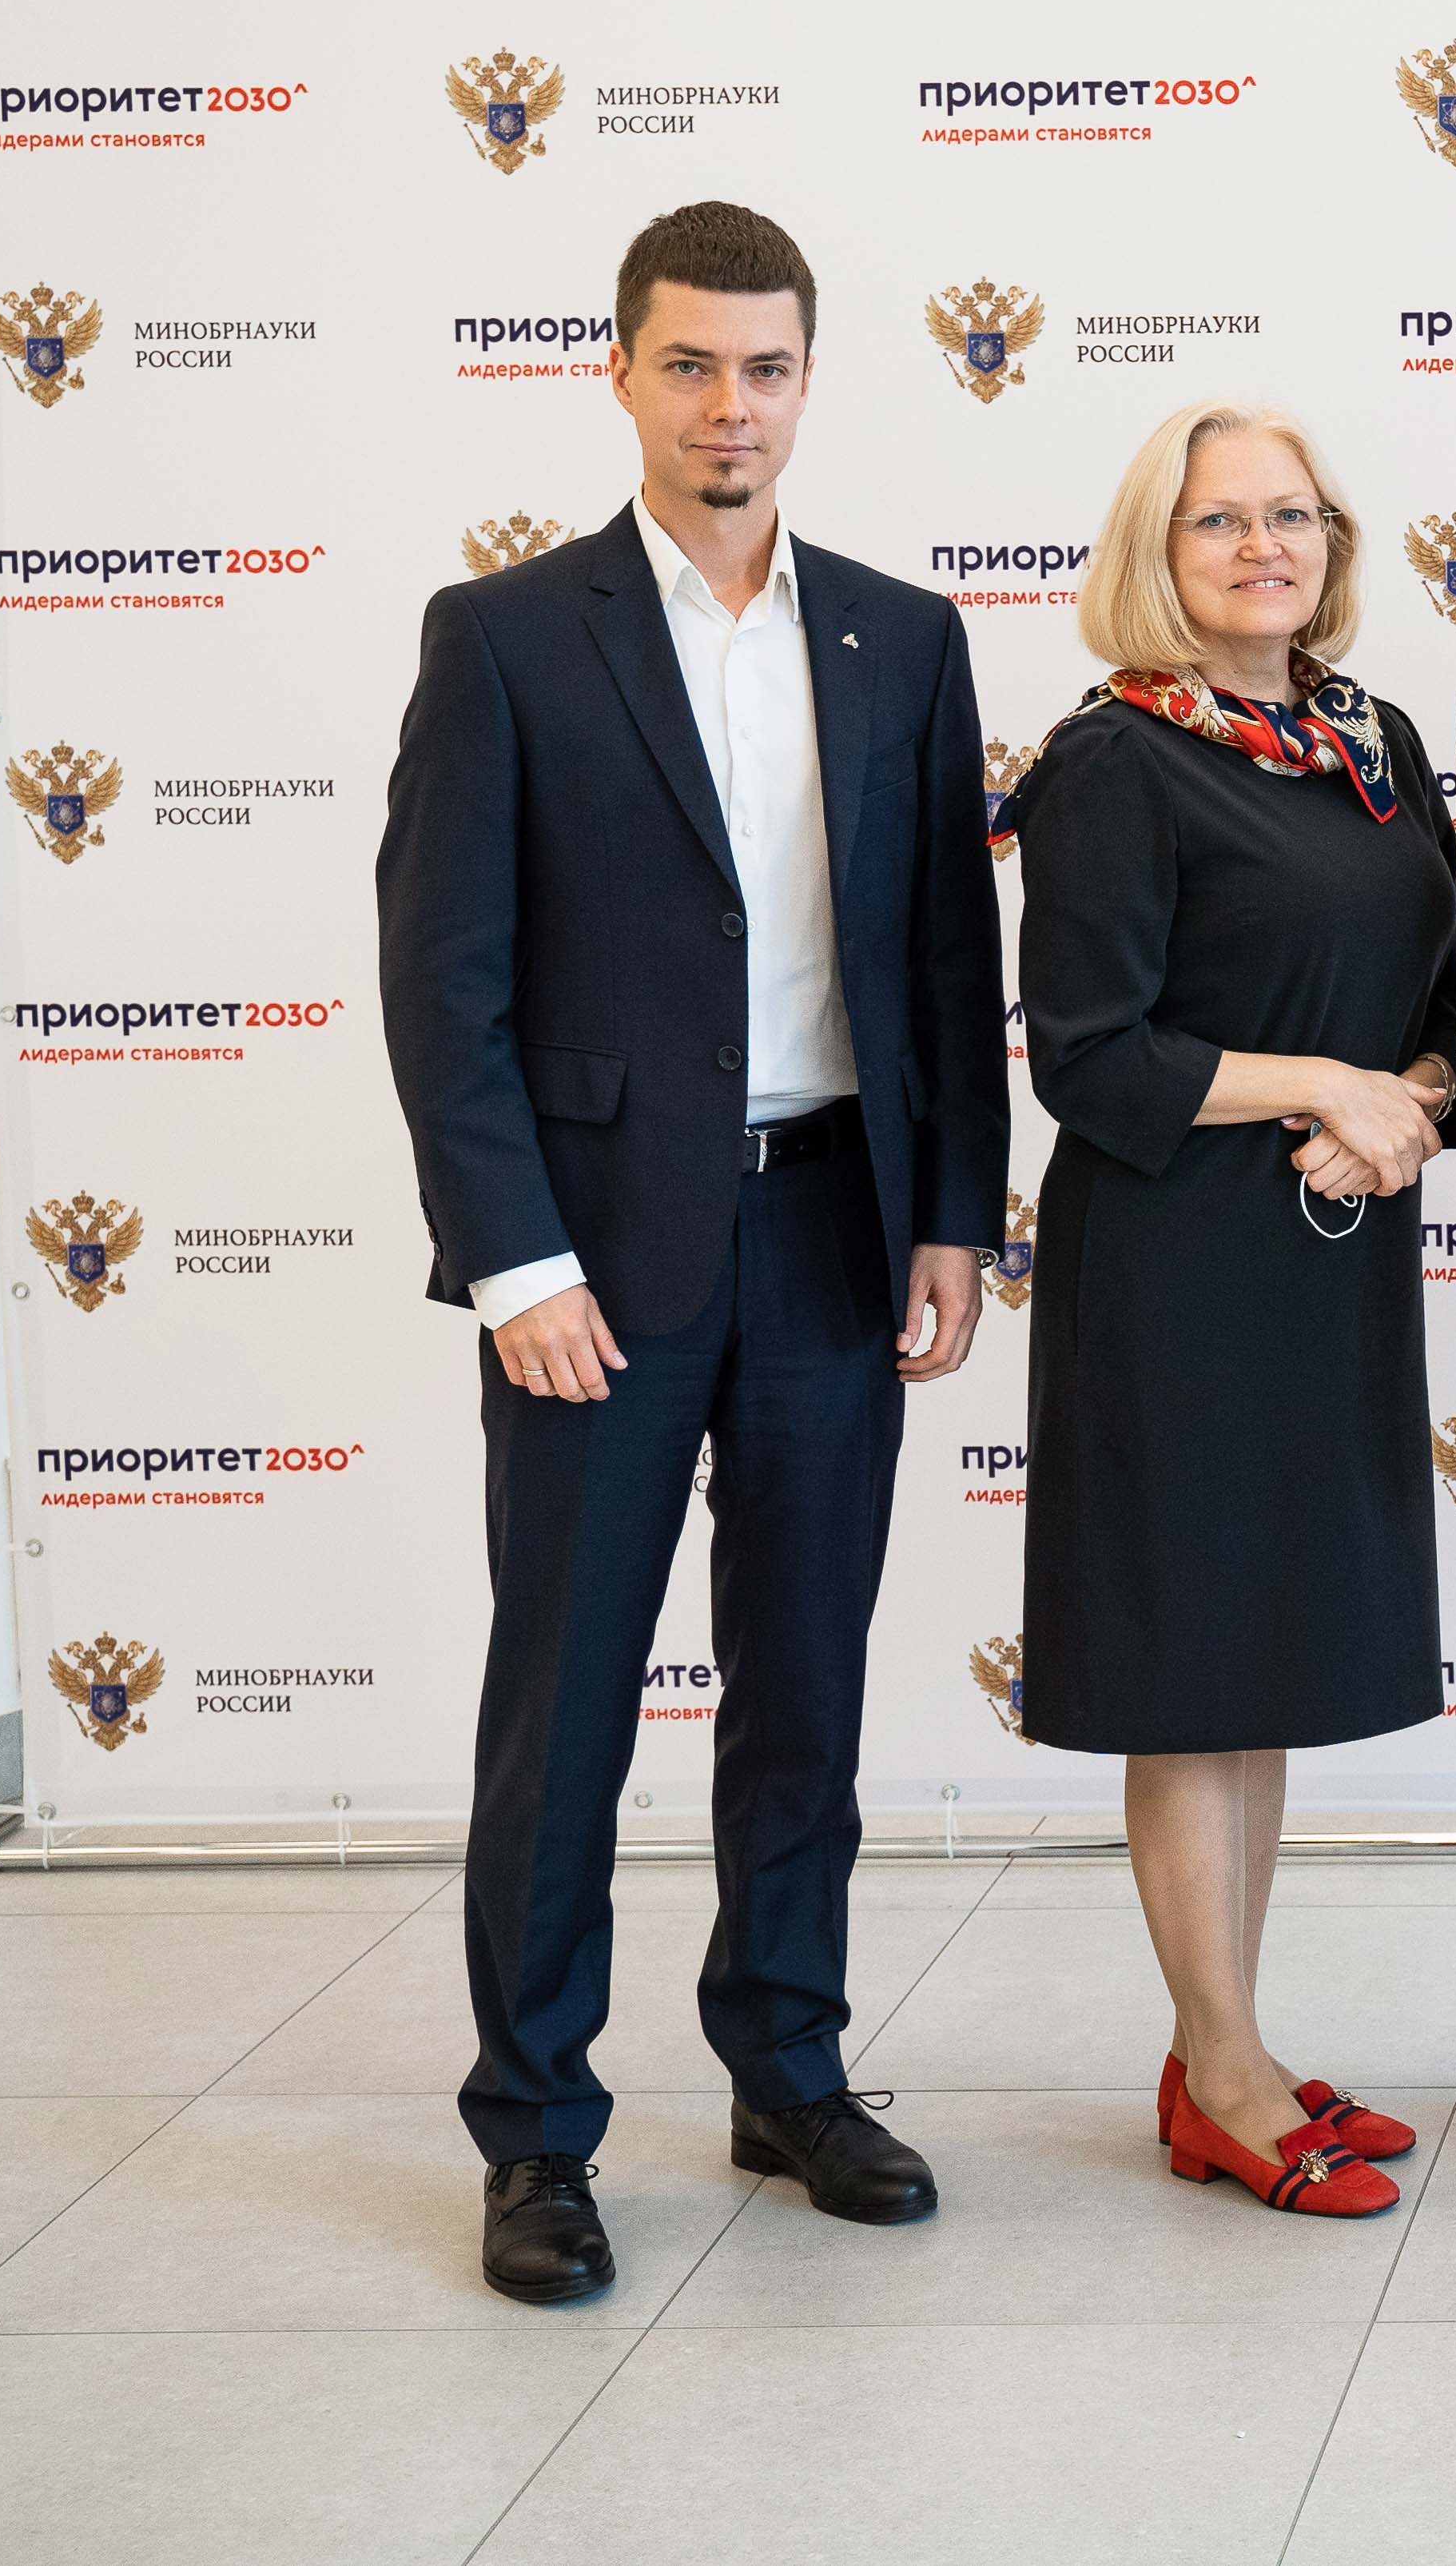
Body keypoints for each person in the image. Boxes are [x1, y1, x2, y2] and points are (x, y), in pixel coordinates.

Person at [374, 201, 1008, 2304]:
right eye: (691, 364)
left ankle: (790, 2068)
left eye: (767, 367)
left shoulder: (903, 638)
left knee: (804, 1681)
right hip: (598, 1261)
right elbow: (443, 982)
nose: (730, 405)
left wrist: (954, 1211)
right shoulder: (506, 637)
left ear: (808, 381)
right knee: (565, 1701)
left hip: (835, 1226)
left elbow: (946, 957)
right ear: (622, 372)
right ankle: (535, 2132)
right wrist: (516, 1262)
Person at [1008, 401, 1456, 2220]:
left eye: (1292, 514)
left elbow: (1449, 988)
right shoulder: (1113, 757)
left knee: (1258, 1660)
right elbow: (1088, 1054)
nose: (1263, 545)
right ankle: (1220, 2071)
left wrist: (1407, 1099)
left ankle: (1234, 2042)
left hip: (1327, 1256)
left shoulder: (1372, 740)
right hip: (1173, 1266)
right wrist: (1319, 1087)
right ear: (1158, 547)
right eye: (1219, 520)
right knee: (1194, 1674)